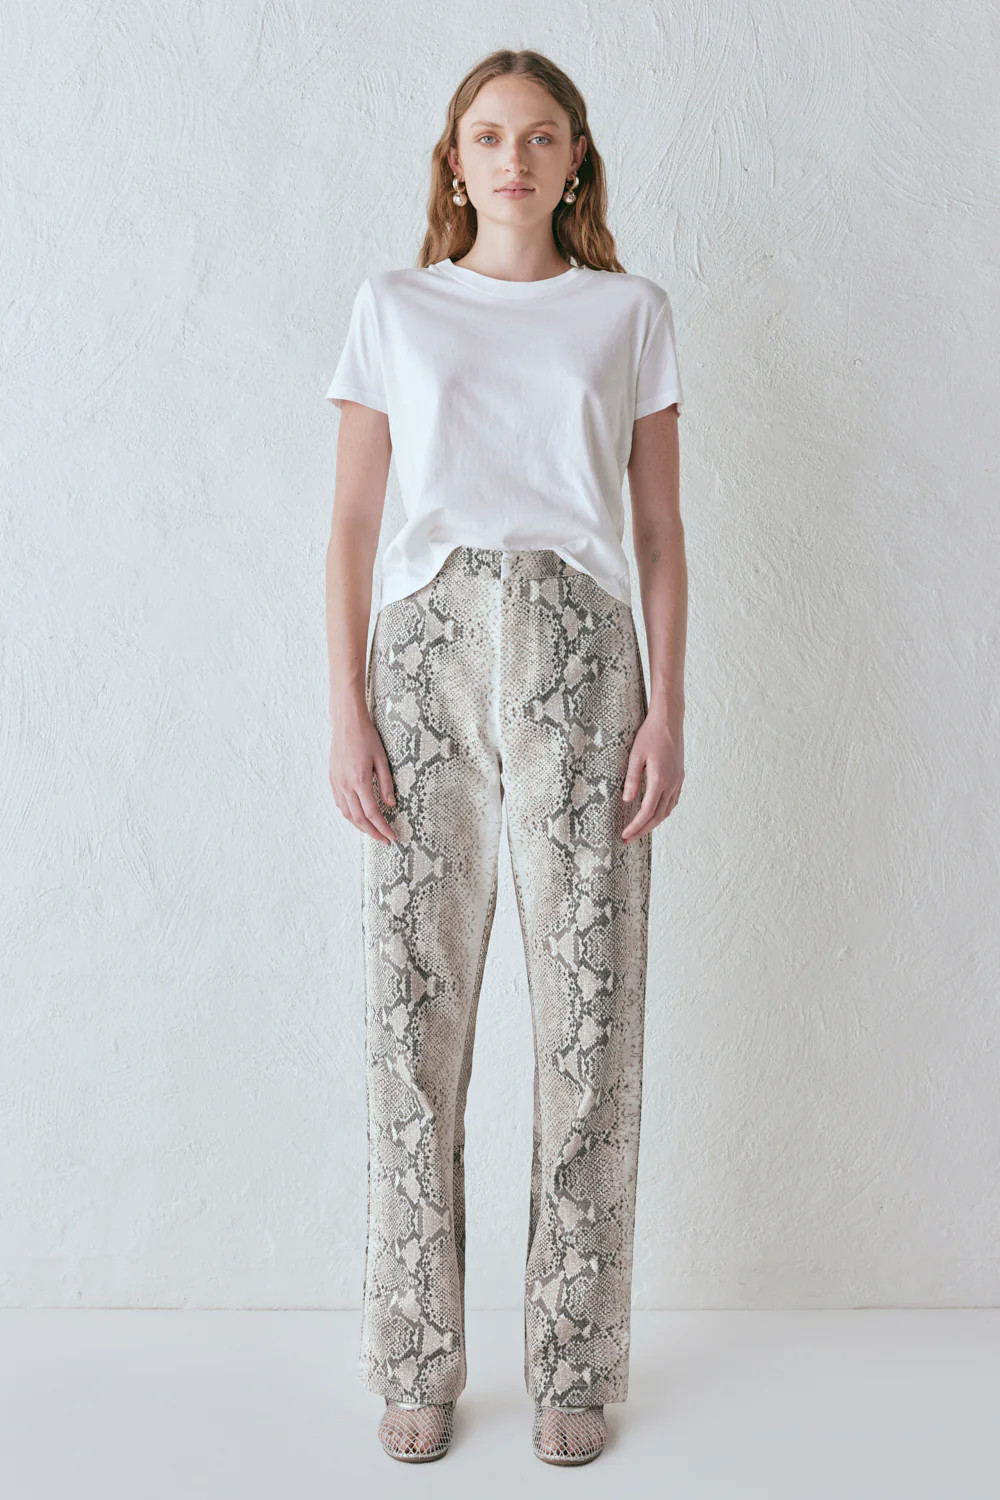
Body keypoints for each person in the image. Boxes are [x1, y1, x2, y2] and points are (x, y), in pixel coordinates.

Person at [324, 48, 687, 1467]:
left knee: (589, 1021)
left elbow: (658, 531)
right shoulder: (395, 307)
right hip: (425, 657)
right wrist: (346, 708)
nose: (515, 159)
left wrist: (669, 707)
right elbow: (354, 526)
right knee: (413, 1019)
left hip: (586, 654)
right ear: (456, 158)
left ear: (576, 156)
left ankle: (574, 1364)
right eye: (489, 136)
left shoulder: (628, 312)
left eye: (541, 137)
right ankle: (416, 1355)